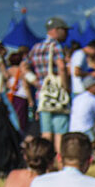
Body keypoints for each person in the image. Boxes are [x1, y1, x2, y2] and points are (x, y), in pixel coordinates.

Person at [28, 18, 71, 152]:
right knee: (60, 131)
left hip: (42, 95)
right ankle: (59, 162)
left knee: (46, 132)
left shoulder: (36, 47)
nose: (66, 34)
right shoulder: (56, 46)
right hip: (57, 95)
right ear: (56, 30)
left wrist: (37, 82)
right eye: (64, 30)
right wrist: (66, 88)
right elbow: (61, 67)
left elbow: (24, 67)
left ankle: (44, 161)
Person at [69, 76, 95, 144]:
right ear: (90, 86)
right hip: (86, 131)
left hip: (72, 130)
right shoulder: (94, 99)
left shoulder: (77, 98)